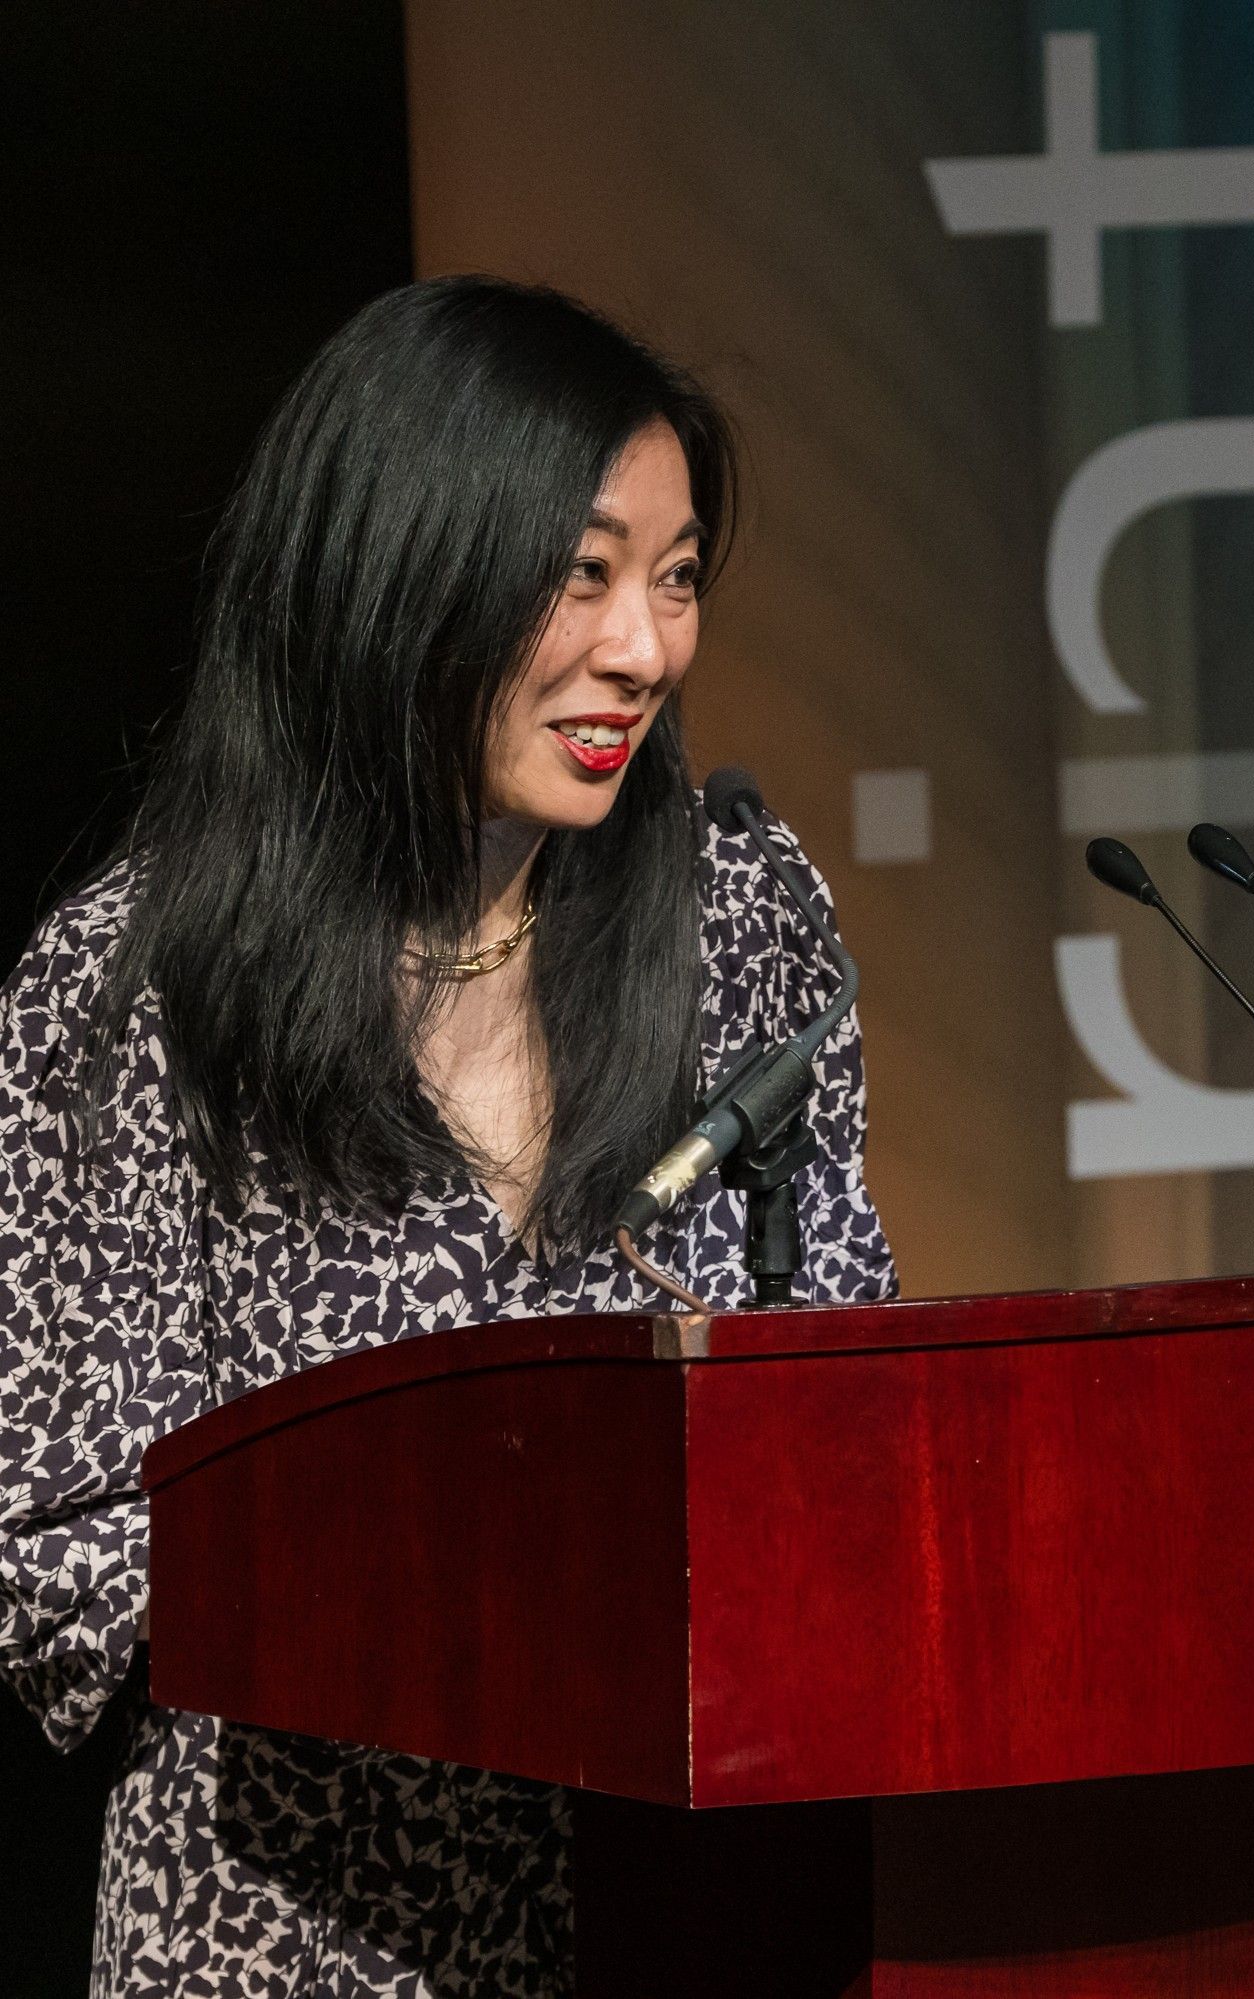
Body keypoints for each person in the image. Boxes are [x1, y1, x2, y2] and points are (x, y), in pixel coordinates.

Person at [0, 277, 897, 1996]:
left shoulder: (745, 915)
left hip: (701, 1910)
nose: (644, 647)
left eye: (680, 574)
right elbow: (69, 1562)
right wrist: (489, 1604)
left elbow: (842, 1391)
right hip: (290, 1934)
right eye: (584, 572)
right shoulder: (134, 991)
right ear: (401, 568)